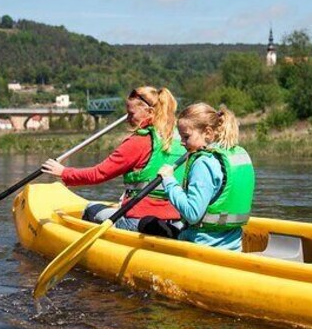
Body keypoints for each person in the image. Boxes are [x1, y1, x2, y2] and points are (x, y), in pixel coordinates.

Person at [41, 86, 186, 231]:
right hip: (176, 219)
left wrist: (63, 172)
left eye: (131, 113)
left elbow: (99, 174)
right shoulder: (181, 141)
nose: (128, 119)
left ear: (149, 112)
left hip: (138, 220)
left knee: (90, 209)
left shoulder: (138, 142)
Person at [152, 103, 255, 251]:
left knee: (147, 223)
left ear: (207, 133)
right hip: (233, 248)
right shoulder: (238, 153)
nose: (181, 142)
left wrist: (169, 181)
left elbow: (192, 214)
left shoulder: (203, 163)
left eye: (186, 137)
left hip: (201, 248)